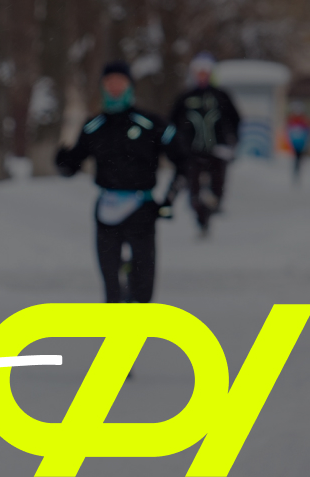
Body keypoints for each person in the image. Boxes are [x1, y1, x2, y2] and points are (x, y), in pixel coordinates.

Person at [55, 60, 179, 304]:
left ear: (130, 86)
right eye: (109, 82)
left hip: (142, 209)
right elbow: (72, 164)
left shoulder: (150, 123)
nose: (114, 88)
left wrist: (169, 198)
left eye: (119, 82)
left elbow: (183, 159)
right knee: (112, 289)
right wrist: (62, 159)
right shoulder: (94, 126)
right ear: (102, 87)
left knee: (142, 290)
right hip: (106, 210)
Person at [166, 52, 241, 235]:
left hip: (218, 149)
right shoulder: (185, 97)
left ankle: (212, 207)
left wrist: (232, 142)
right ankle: (200, 217)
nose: (202, 76)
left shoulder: (221, 96)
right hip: (192, 151)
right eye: (198, 73)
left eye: (205, 73)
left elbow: (235, 120)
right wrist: (176, 146)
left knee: (217, 186)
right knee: (194, 189)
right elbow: (172, 122)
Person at [287, 102, 310, 183]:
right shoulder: (292, 120)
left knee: (299, 157)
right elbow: (288, 131)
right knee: (297, 157)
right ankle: (296, 171)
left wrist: (308, 139)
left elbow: (309, 130)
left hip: (301, 142)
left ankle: (297, 171)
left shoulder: (304, 120)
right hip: (296, 142)